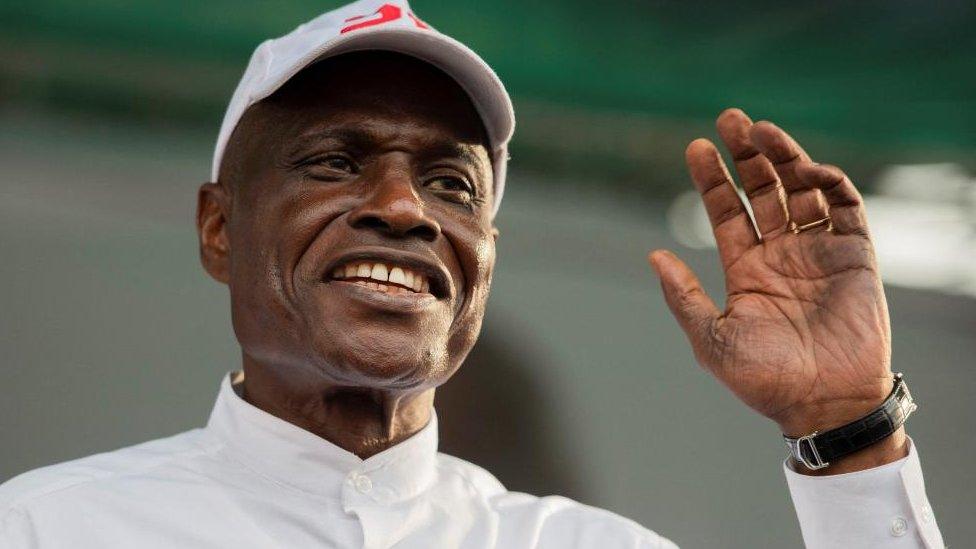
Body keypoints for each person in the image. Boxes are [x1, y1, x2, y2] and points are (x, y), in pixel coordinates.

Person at [0, 1, 946, 547]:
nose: (407, 209)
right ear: (218, 229)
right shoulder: (50, 527)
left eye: (453, 182)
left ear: (485, 260)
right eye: (334, 161)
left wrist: (847, 430)